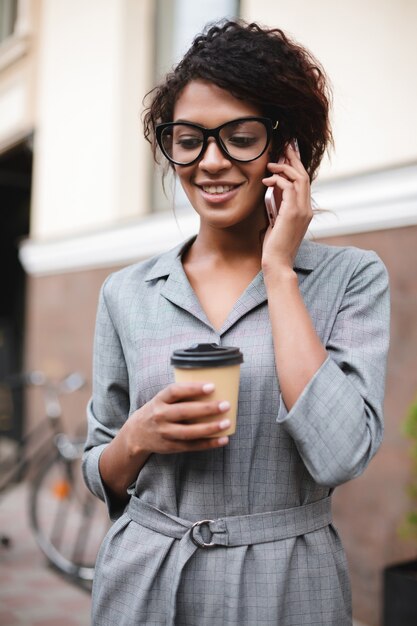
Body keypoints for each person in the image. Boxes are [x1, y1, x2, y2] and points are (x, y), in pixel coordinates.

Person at [82, 19, 390, 626]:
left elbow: (340, 454)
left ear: (286, 148)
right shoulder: (126, 292)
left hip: (287, 590)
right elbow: (99, 469)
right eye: (189, 139)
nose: (211, 162)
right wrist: (138, 437)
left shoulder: (352, 279)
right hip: (144, 581)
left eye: (240, 137)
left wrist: (280, 270)